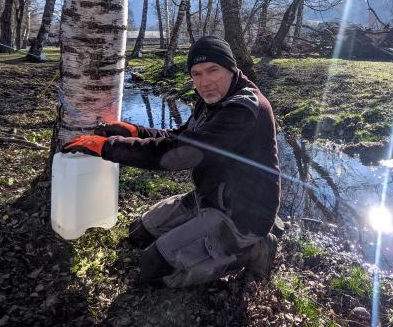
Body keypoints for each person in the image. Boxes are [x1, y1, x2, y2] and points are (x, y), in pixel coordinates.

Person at [62, 36, 280, 288]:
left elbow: (181, 153)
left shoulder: (244, 110)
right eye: (196, 74)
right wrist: (134, 131)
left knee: (153, 269)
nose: (205, 81)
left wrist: (108, 147)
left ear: (231, 69)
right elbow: (179, 136)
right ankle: (201, 230)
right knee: (138, 233)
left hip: (242, 215)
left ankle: (253, 249)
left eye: (213, 70)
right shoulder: (212, 100)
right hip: (209, 197)